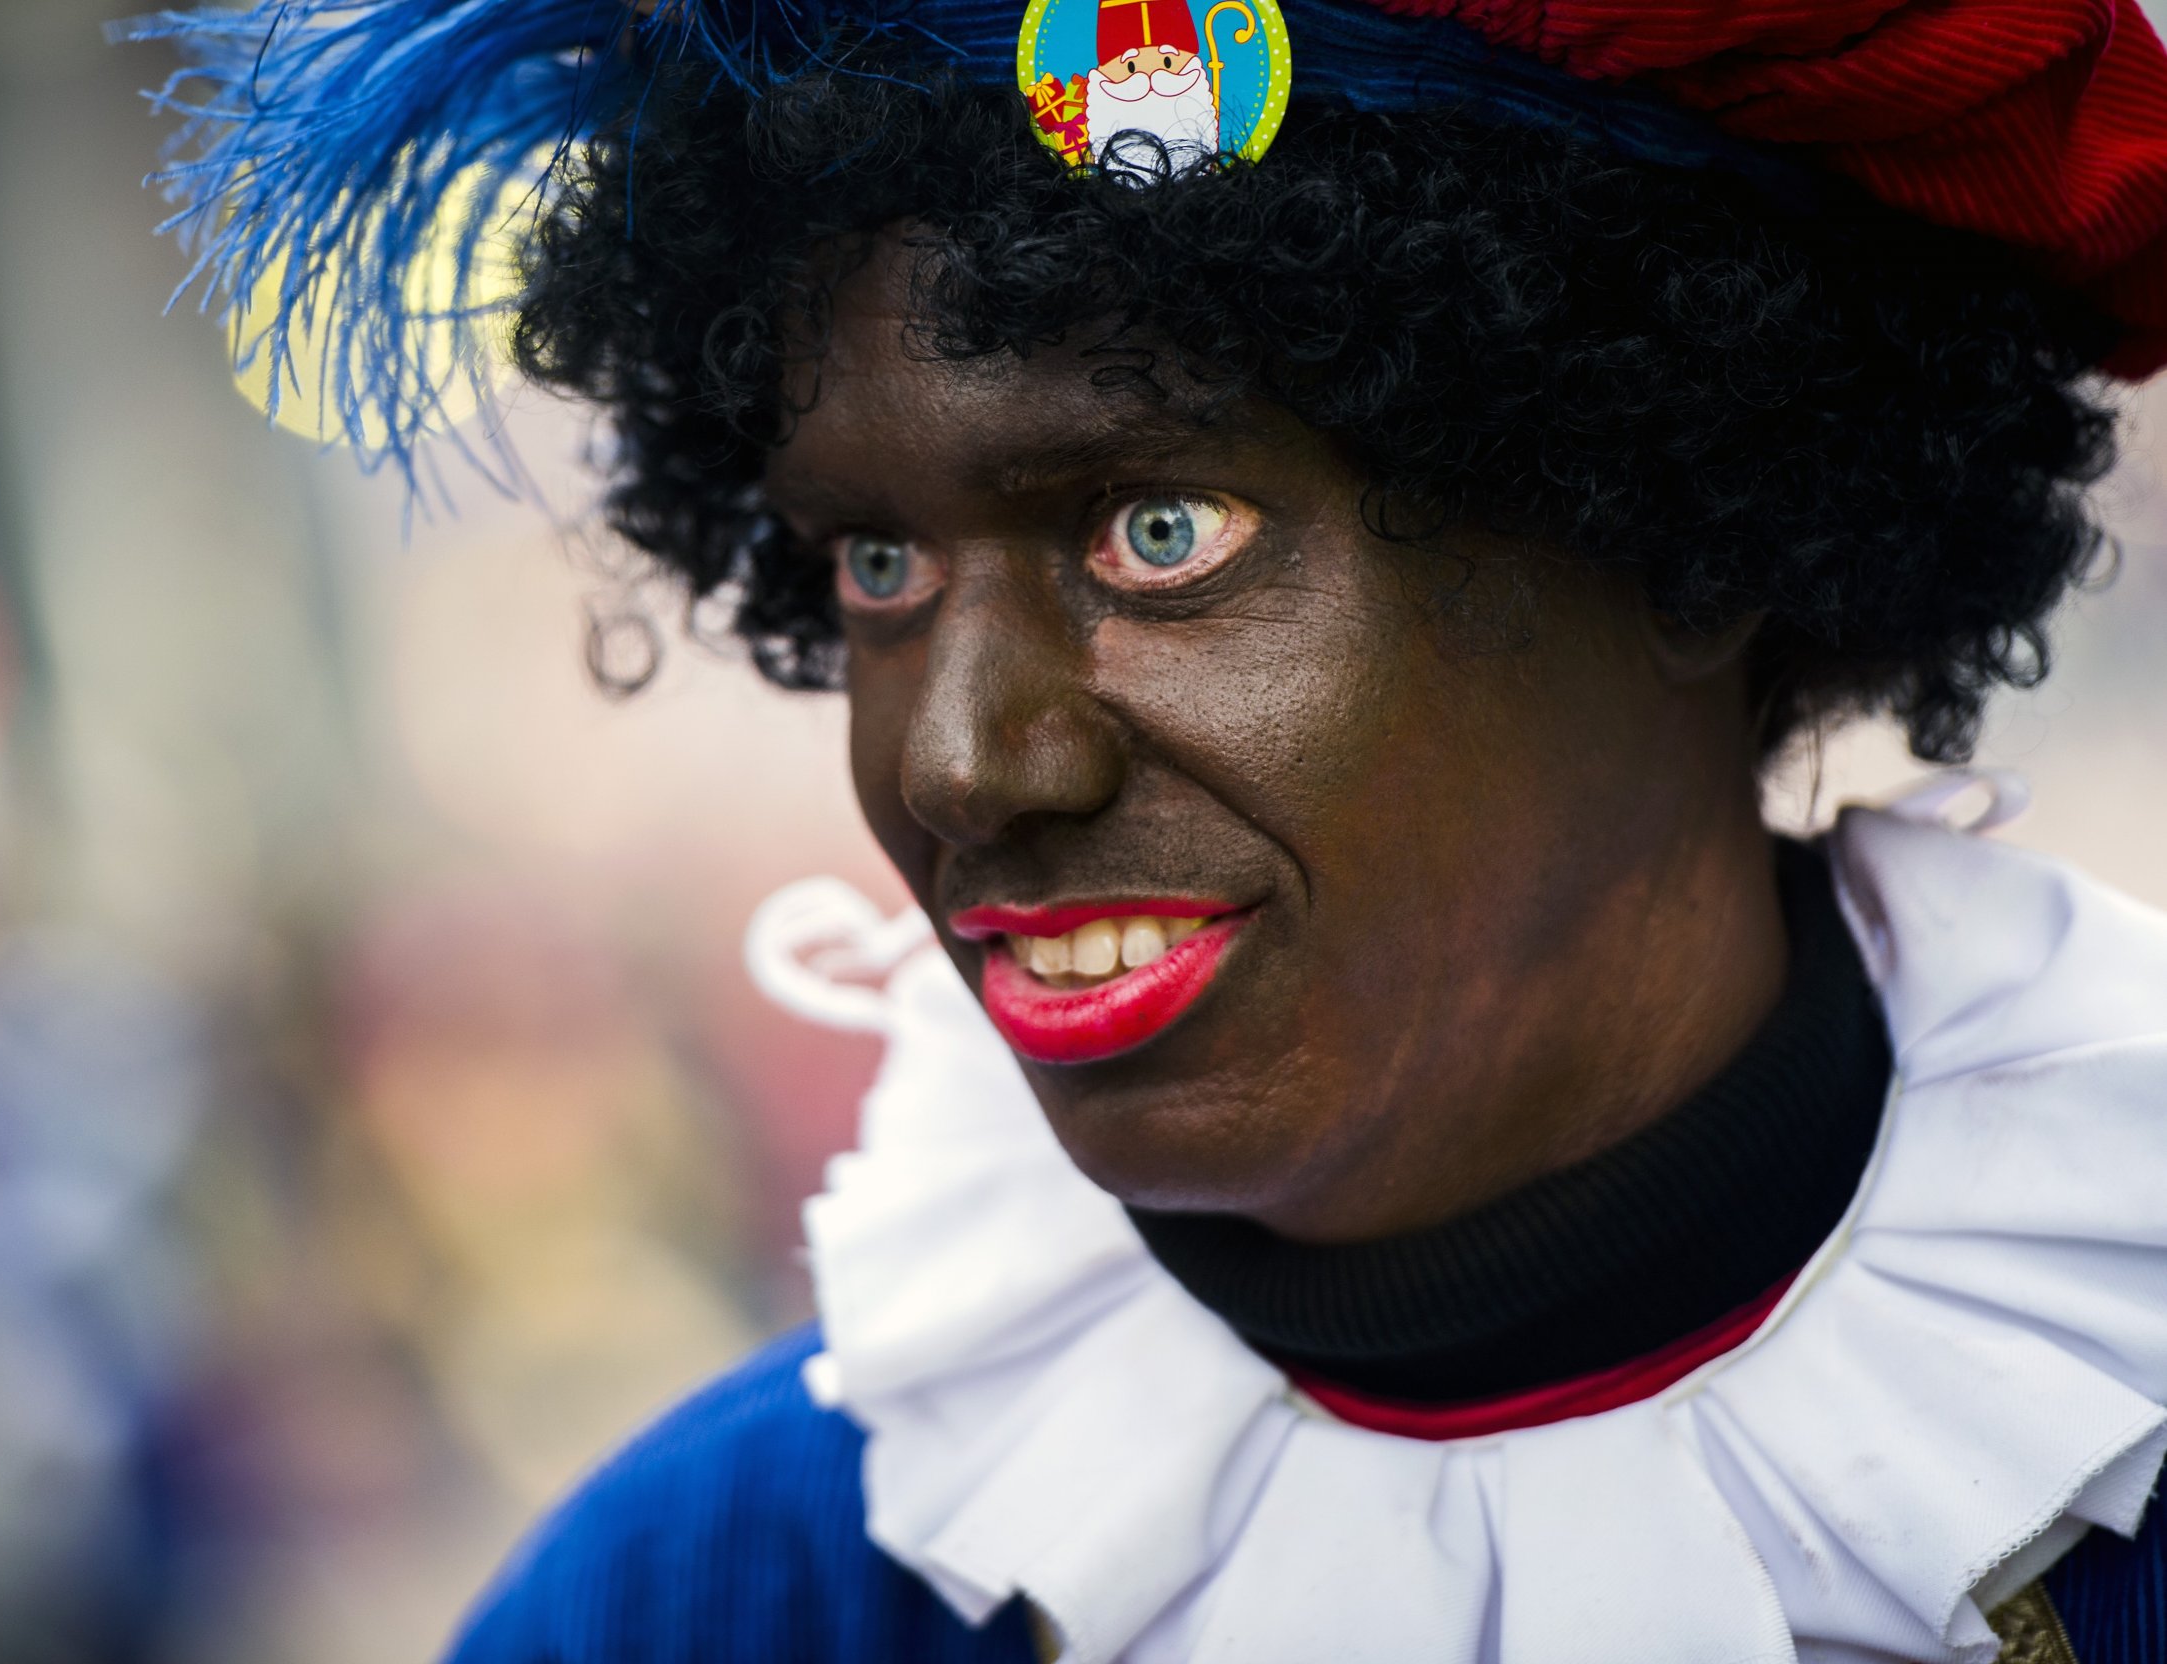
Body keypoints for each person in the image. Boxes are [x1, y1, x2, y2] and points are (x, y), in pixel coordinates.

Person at [137, 0, 2167, 1658]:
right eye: (872, 564)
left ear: (1687, 511)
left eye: (1157, 531)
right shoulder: (712, 1601)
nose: (956, 761)